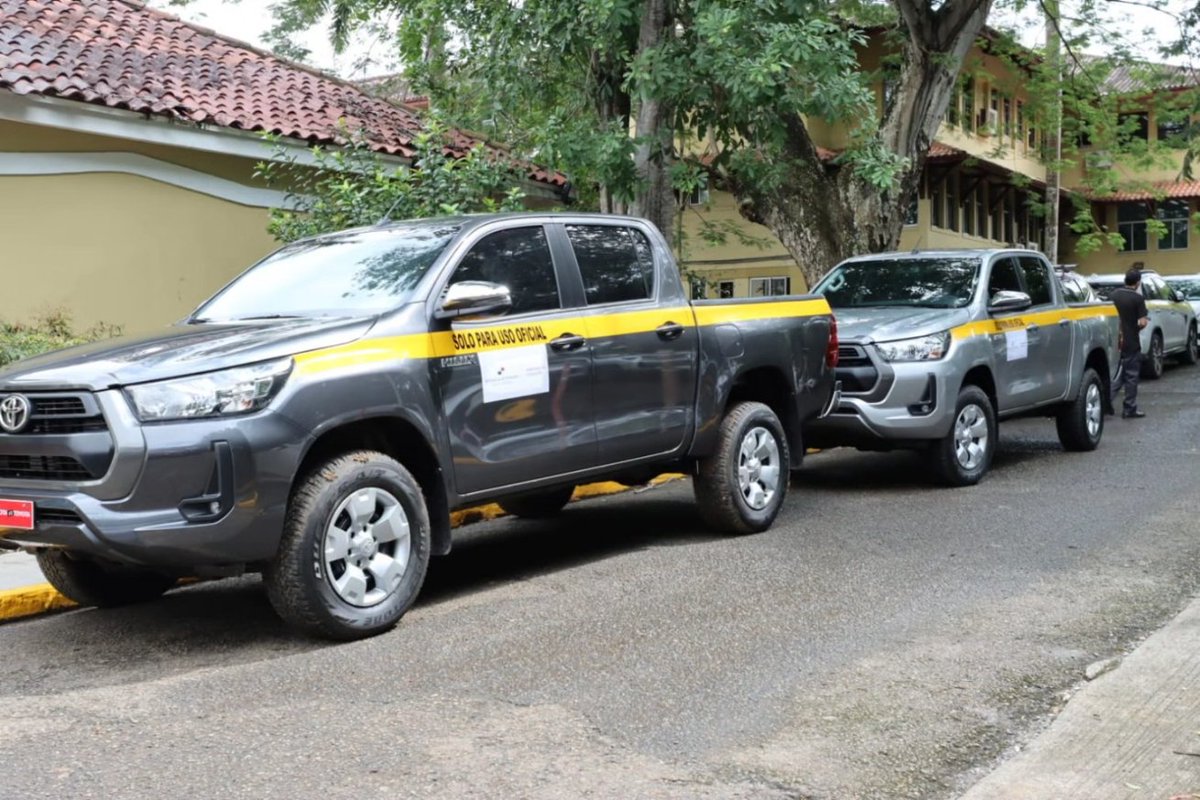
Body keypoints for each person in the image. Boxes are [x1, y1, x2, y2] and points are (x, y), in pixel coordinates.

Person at [1110, 266, 1150, 418]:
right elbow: (1142, 322)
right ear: (1138, 282)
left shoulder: (1113, 295)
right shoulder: (1138, 299)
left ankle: (1106, 403)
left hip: (1114, 342)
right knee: (1131, 376)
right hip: (1131, 342)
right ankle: (1129, 408)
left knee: (1116, 374)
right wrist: (1138, 326)